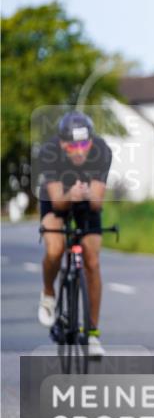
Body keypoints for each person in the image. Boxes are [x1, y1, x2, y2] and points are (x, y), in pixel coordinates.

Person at [36, 111, 112, 357]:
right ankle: (49, 293)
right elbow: (58, 202)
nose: (79, 152)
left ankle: (92, 334)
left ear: (91, 142)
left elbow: (97, 203)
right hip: (56, 199)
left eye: (84, 145)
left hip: (86, 202)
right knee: (55, 248)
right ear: (62, 144)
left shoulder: (101, 150)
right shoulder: (49, 152)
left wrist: (88, 195)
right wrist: (71, 195)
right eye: (72, 146)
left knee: (92, 261)